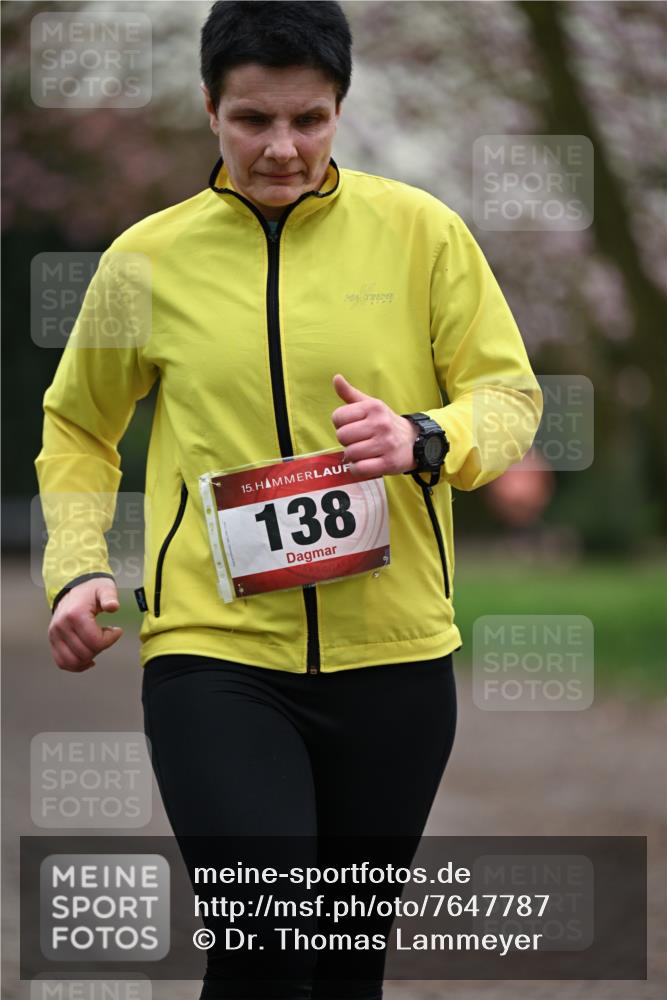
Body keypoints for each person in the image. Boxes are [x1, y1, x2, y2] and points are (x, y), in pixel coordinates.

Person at [35, 2, 543, 997]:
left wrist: (427, 438)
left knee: (344, 965)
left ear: (339, 110)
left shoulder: (420, 234)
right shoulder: (148, 258)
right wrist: (78, 565)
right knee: (268, 938)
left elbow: (511, 395)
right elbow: (78, 425)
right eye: (252, 120)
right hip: (215, 654)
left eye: (307, 121)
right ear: (210, 113)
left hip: (394, 657)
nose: (281, 148)